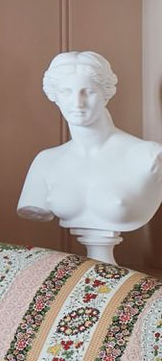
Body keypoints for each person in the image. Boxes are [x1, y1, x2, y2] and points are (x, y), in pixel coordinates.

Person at [18, 50, 162, 263]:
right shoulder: (45, 162)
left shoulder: (149, 156)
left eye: (88, 92)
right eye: (66, 92)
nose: (78, 102)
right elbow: (32, 207)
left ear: (105, 94)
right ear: (54, 96)